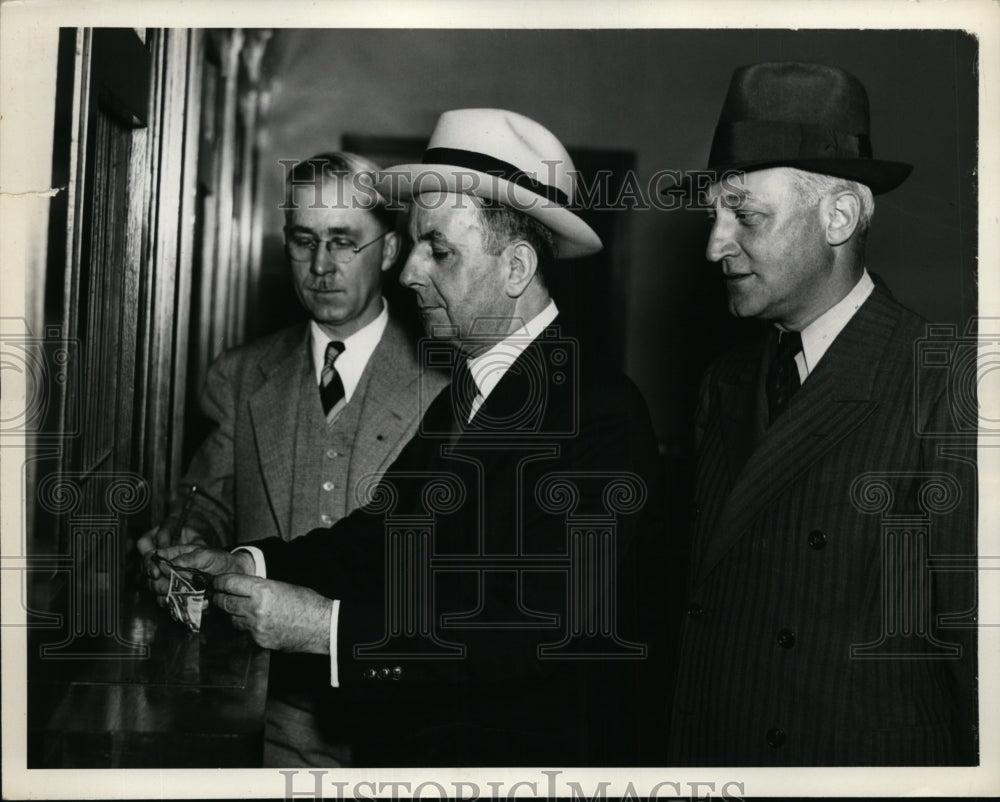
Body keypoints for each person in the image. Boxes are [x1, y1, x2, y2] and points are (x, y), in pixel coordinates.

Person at [148, 109, 667, 766]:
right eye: (417, 244)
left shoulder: (600, 414)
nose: (409, 271)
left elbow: (527, 632)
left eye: (438, 250)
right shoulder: (471, 393)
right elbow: (377, 538)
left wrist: (324, 629)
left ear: (515, 267)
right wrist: (244, 564)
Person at [668, 62, 977, 765]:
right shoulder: (724, 381)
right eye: (714, 216)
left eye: (745, 216)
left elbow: (978, 662)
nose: (715, 246)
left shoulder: (947, 382)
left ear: (838, 215)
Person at [139, 152, 447, 767]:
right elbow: (209, 500)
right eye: (304, 242)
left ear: (388, 252)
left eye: (343, 242)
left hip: (409, 717)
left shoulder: (445, 379)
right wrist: (186, 546)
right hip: (269, 714)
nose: (322, 266)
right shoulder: (242, 373)